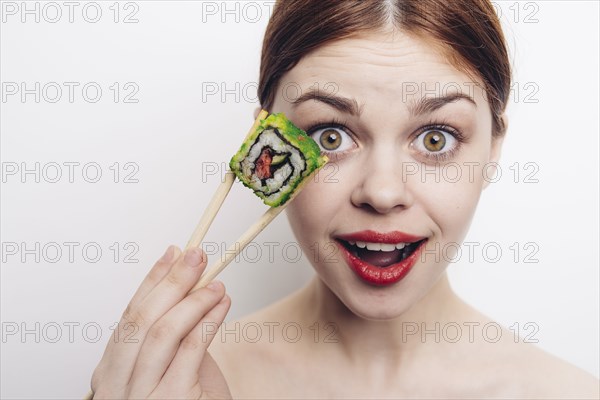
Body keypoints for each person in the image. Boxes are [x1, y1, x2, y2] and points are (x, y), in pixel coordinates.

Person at [89, 1, 600, 398]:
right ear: (268, 142)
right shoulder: (166, 384)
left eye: (436, 138)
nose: (381, 193)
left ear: (493, 149)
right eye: (329, 135)